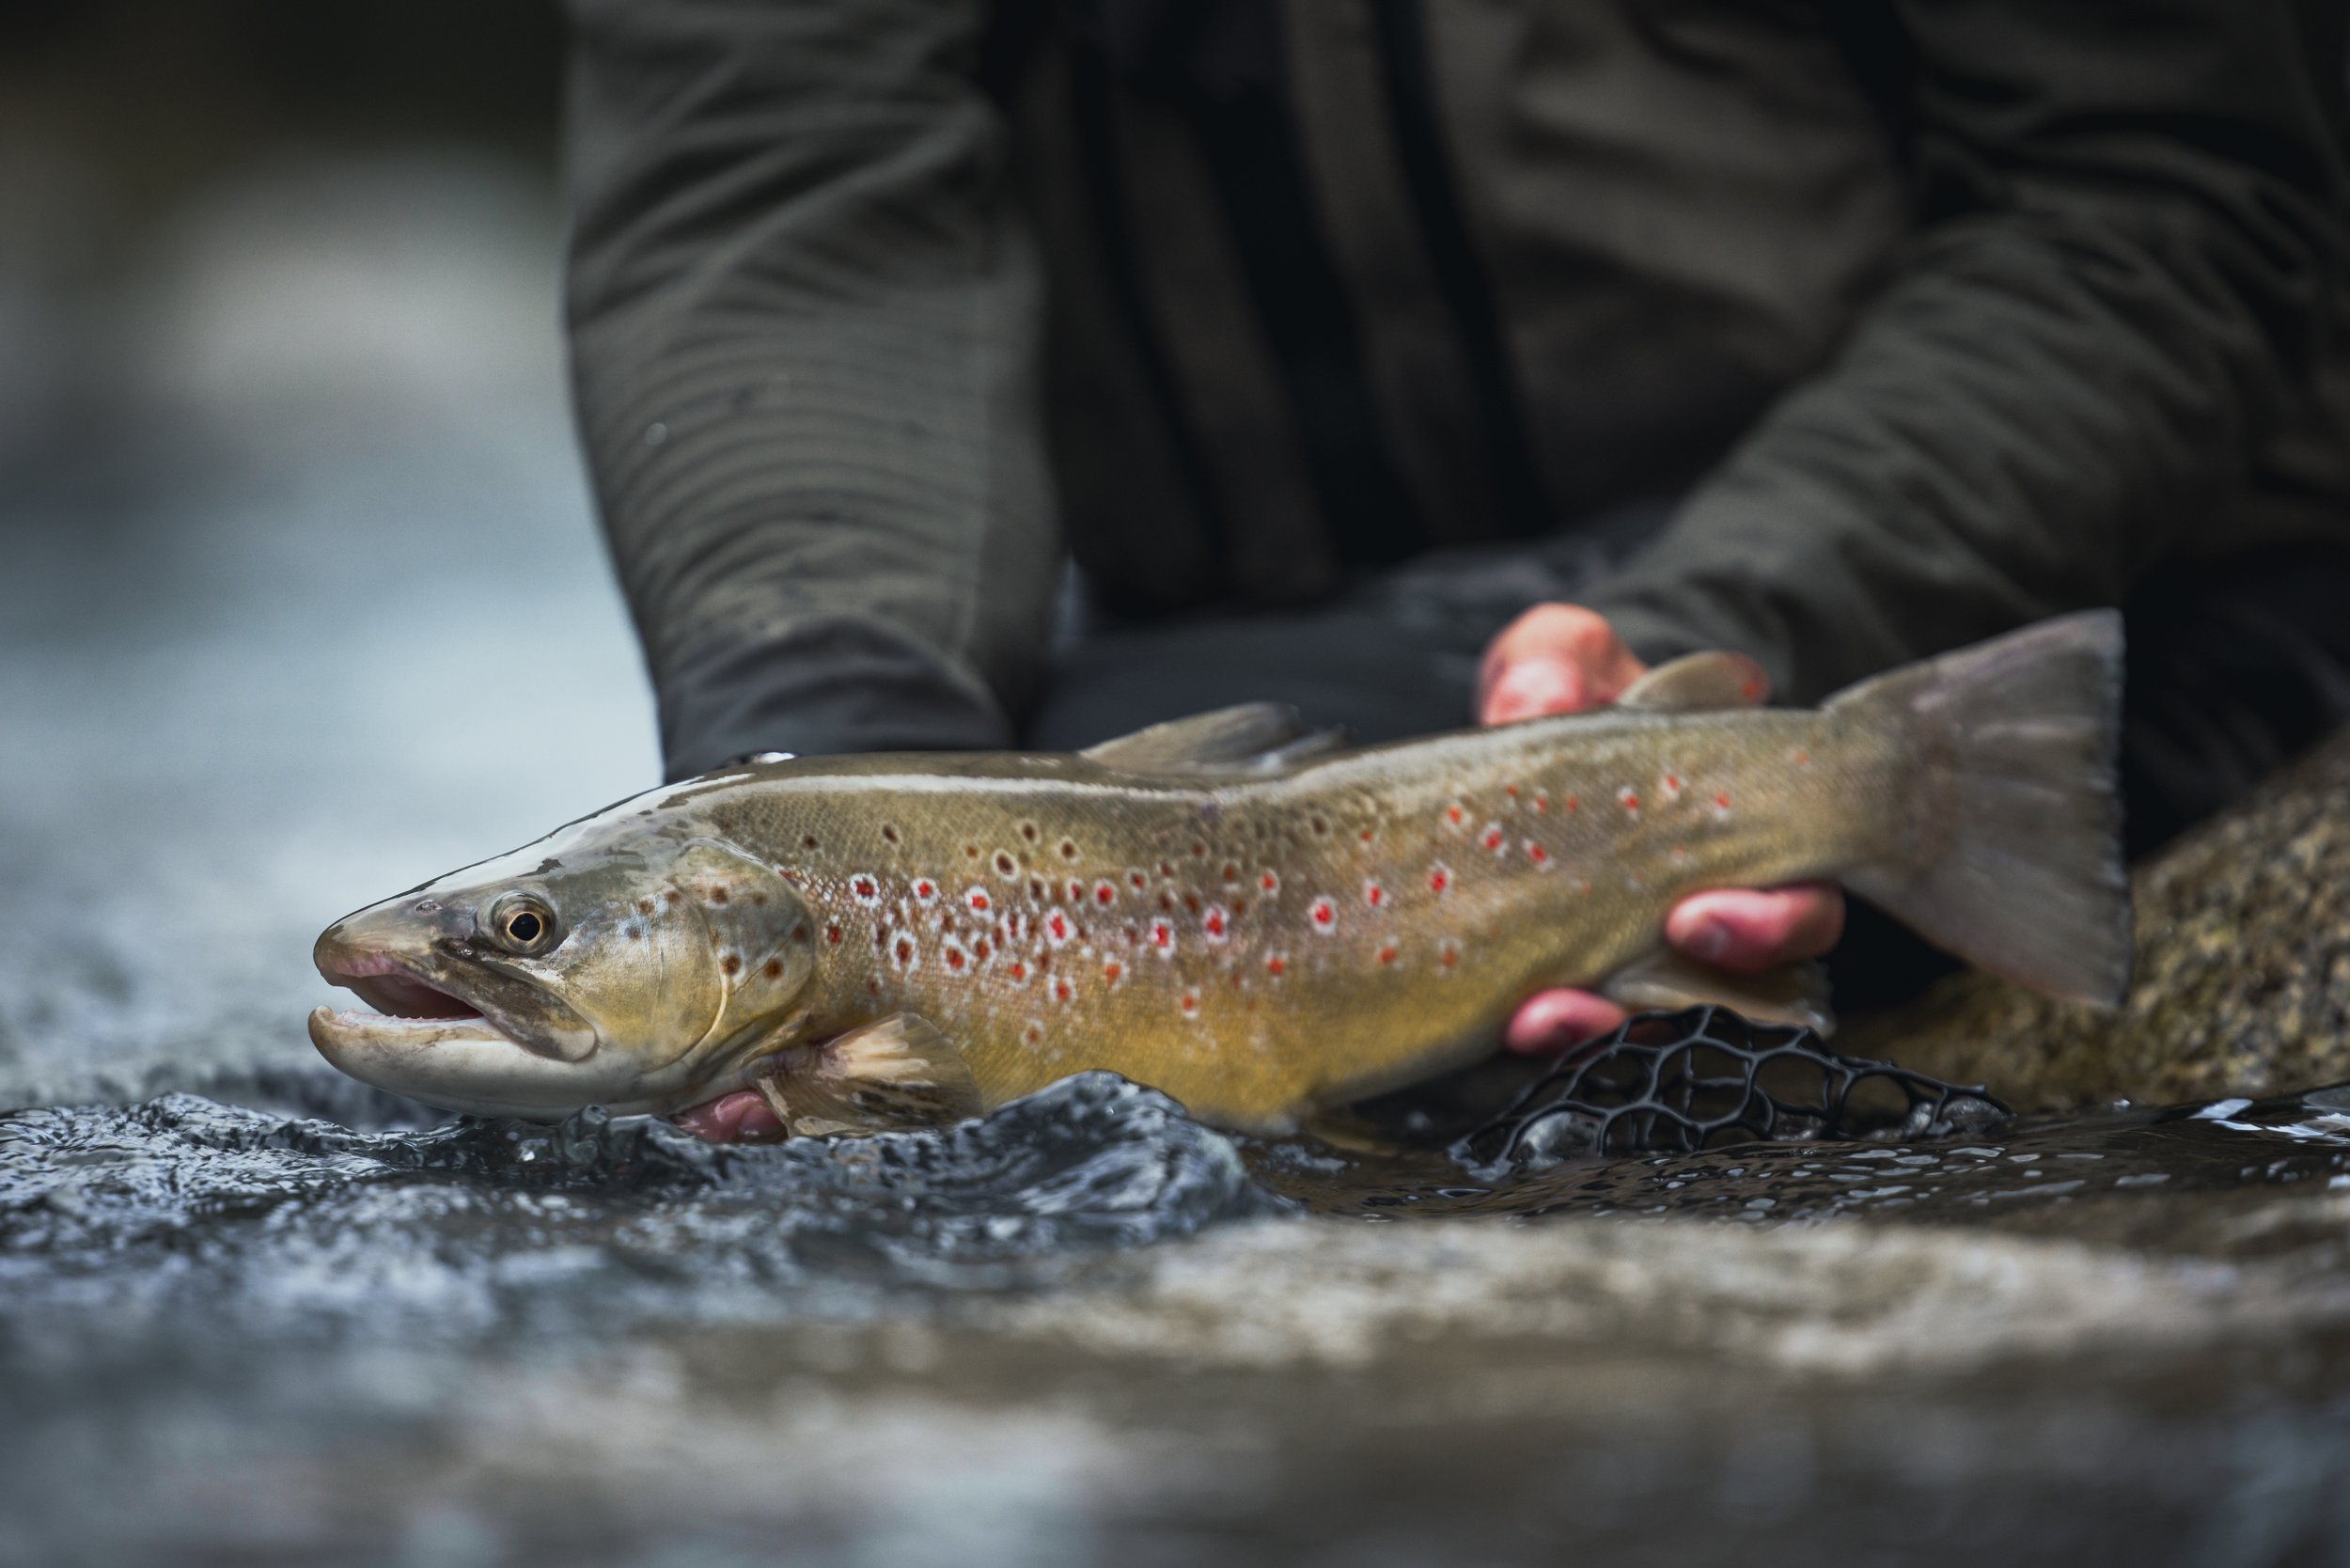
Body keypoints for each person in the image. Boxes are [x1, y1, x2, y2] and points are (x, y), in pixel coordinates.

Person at [558, 0, 2350, 1137]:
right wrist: (825, 780)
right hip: (1280, 652)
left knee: (1560, 1104)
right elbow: (775, 190)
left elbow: (2159, 183)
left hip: (2039, 546)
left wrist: (1728, 634)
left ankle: (1881, 782)